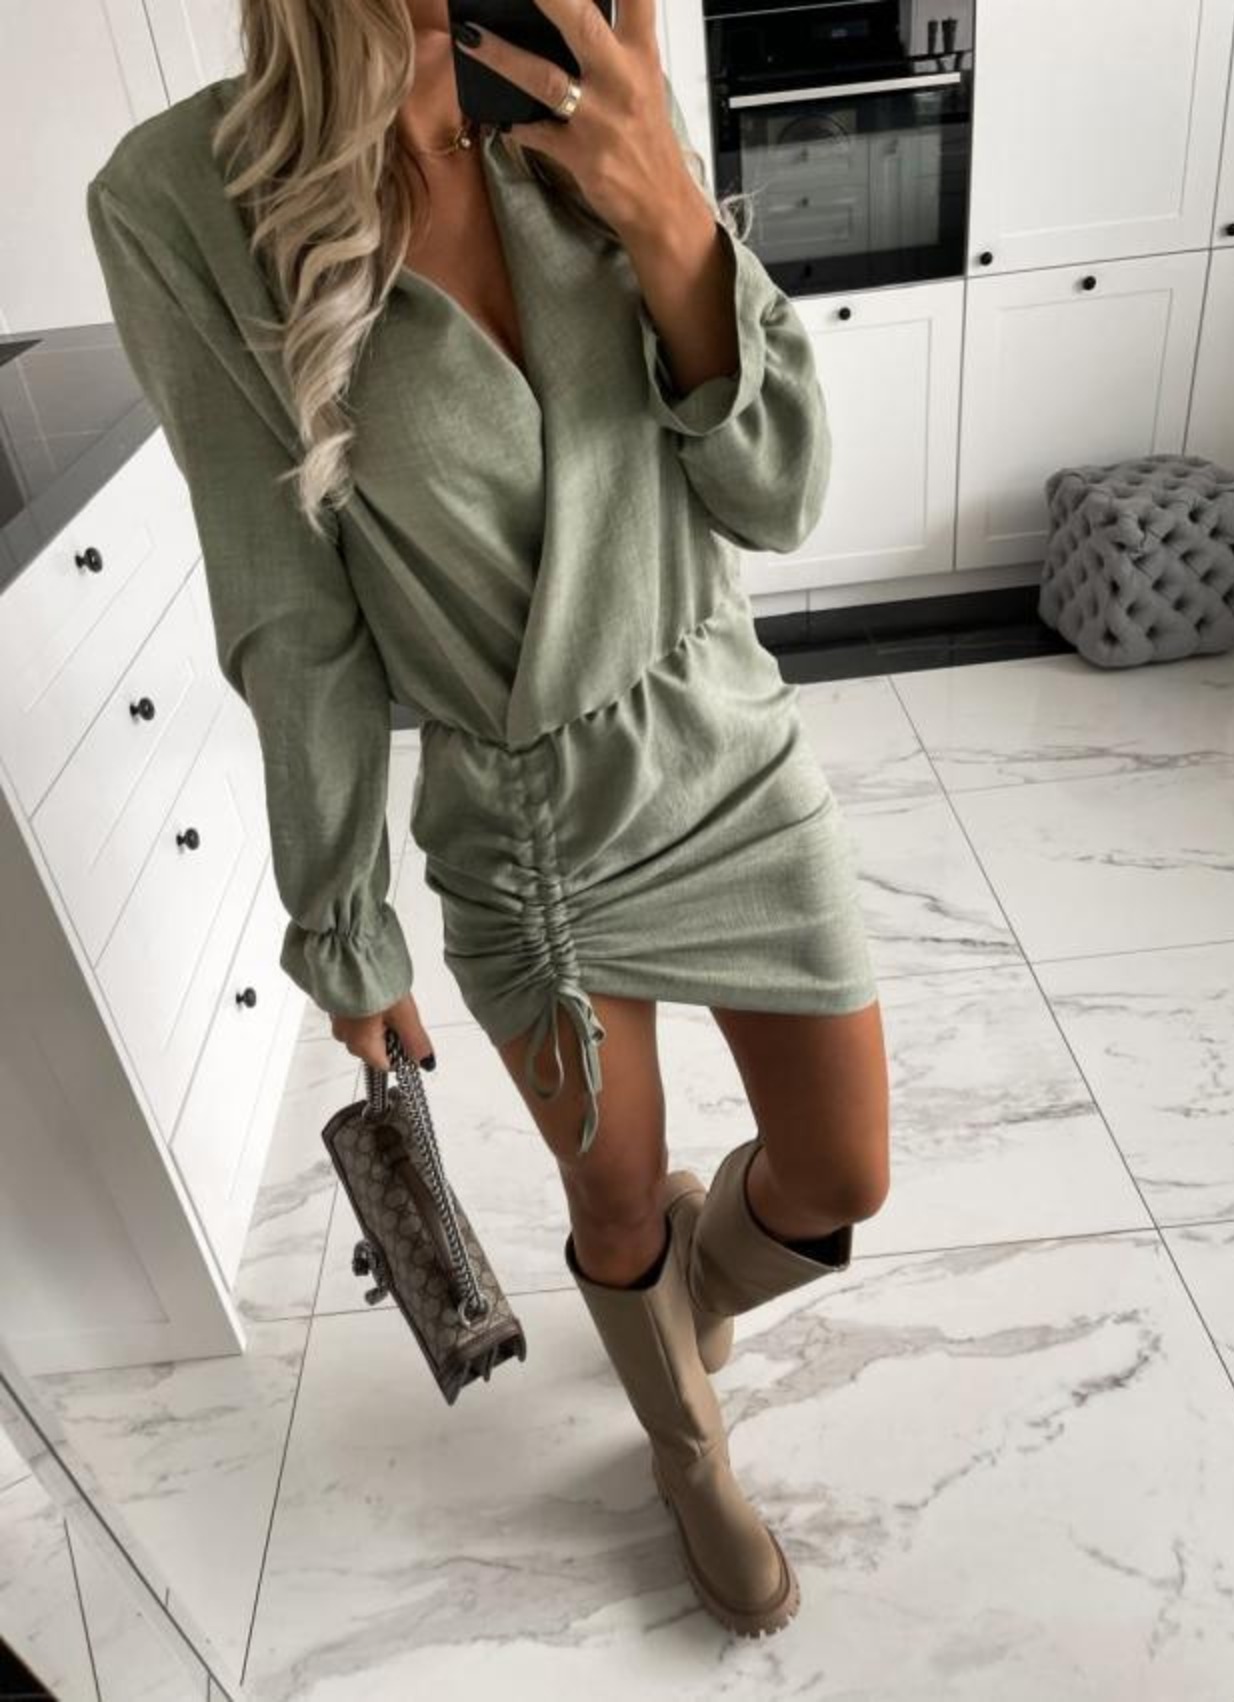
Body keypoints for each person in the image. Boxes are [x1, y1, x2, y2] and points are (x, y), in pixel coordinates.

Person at [86, 0, 891, 1639]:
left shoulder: (595, 69)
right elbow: (290, 609)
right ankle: (686, 1449)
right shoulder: (184, 201)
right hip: (526, 828)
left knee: (838, 1171)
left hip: (720, 730)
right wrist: (343, 912)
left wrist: (667, 211)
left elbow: (778, 494)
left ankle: (682, 1300)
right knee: (618, 1202)